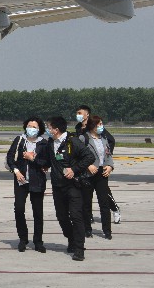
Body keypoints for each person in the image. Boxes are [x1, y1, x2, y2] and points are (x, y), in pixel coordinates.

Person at [46, 116, 96, 261]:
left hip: (73, 186)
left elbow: (89, 157)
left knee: (76, 216)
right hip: (57, 186)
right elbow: (49, 160)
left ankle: (79, 249)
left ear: (56, 130)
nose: (48, 130)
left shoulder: (72, 141)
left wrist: (74, 169)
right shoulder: (50, 142)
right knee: (61, 217)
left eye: (49, 128)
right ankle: (71, 239)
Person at [6, 117, 51, 252]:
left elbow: (47, 162)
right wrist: (16, 171)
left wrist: (33, 158)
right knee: (19, 209)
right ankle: (23, 238)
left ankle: (38, 241)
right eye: (29, 126)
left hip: (37, 181)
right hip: (21, 181)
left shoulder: (44, 143)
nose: (31, 128)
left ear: (39, 129)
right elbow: (10, 158)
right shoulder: (19, 140)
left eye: (34, 126)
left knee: (38, 212)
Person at [75, 105, 121, 227]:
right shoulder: (79, 128)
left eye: (80, 113)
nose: (78, 115)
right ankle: (88, 218)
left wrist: (106, 160)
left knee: (104, 193)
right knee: (85, 194)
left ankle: (115, 209)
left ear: (87, 114)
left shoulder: (96, 125)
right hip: (87, 167)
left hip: (100, 166)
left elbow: (110, 140)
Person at [80, 115, 116, 239]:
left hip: (102, 173)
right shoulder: (83, 138)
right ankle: (87, 229)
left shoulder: (104, 139)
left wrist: (110, 166)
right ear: (92, 126)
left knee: (104, 203)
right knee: (86, 203)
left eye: (101, 124)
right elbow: (78, 156)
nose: (101, 127)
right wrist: (88, 165)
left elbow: (108, 155)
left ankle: (107, 230)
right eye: (98, 124)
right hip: (88, 174)